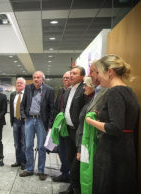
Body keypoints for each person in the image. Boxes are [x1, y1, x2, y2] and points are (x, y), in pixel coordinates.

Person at [85, 55, 139, 194]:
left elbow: (115, 127)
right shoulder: (129, 91)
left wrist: (91, 122)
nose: (96, 77)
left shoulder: (114, 92)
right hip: (125, 150)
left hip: (112, 153)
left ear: (110, 72)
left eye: (98, 73)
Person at [19, 71, 54, 181]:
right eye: (34, 77)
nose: (36, 79)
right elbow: (22, 104)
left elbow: (52, 109)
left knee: (41, 147)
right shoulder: (28, 88)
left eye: (38, 77)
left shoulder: (49, 90)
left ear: (43, 79)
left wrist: (50, 124)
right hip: (29, 120)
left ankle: (41, 170)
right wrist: (24, 116)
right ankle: (29, 169)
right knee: (28, 145)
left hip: (41, 121)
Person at [60, 66, 87, 194]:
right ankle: (72, 187)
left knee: (78, 162)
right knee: (70, 159)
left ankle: (78, 188)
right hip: (68, 131)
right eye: (71, 73)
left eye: (74, 74)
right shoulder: (68, 90)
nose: (71, 76)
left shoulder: (84, 89)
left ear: (82, 76)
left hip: (78, 131)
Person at [52, 71, 71, 183]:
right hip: (59, 125)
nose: (66, 80)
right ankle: (64, 173)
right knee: (61, 150)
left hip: (69, 127)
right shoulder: (60, 91)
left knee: (68, 151)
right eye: (64, 78)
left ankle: (69, 174)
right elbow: (56, 107)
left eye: (68, 78)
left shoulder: (76, 91)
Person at [10, 77, 26, 170]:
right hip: (15, 121)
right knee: (16, 143)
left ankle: (24, 162)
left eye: (21, 83)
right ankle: (18, 161)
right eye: (17, 83)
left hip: (24, 122)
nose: (19, 85)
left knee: (24, 143)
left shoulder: (27, 94)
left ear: (24, 85)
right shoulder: (13, 95)